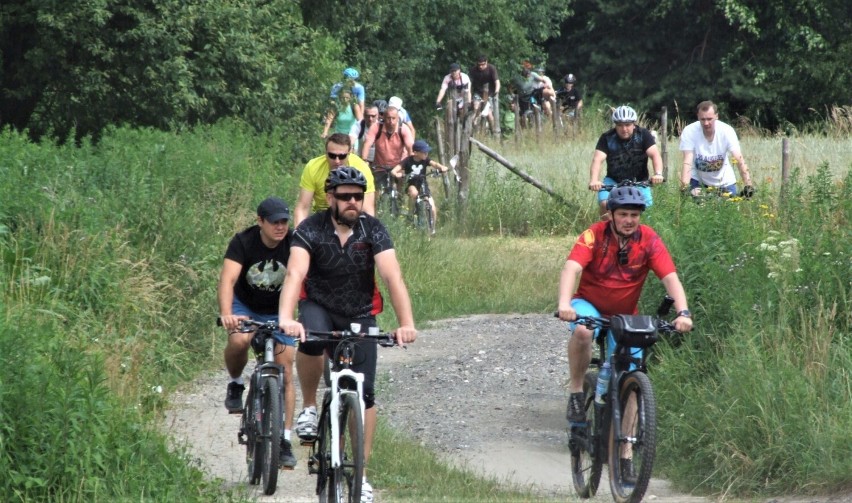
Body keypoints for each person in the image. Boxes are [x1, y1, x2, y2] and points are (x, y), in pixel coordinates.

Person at [278, 167, 417, 503]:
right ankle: (310, 407)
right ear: (330, 199)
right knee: (309, 334)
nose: (353, 202)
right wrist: (285, 317)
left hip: (359, 312)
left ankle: (362, 474)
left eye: (358, 195)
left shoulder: (374, 230)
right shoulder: (310, 229)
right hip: (320, 305)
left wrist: (406, 323)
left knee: (366, 392)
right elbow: (296, 273)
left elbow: (392, 277)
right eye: (345, 196)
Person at [556, 186, 693, 476]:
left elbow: (670, 277)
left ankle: (626, 453)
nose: (629, 220)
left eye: (634, 214)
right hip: (588, 304)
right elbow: (571, 269)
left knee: (634, 373)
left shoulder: (649, 240)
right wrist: (565, 303)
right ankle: (577, 392)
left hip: (624, 315)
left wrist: (683, 312)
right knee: (582, 331)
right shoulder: (594, 235)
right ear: (611, 215)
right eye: (623, 214)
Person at [218, 196, 298, 469]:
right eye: (274, 221)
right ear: (260, 221)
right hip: (246, 305)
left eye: (284, 221)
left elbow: (304, 275)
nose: (280, 226)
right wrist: (228, 313)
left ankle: (285, 440)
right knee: (240, 340)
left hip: (280, 309)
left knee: (286, 368)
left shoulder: (294, 243)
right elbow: (227, 279)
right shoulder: (243, 241)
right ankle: (237, 382)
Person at [588, 105, 664, 220]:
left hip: (639, 181)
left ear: (634, 124)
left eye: (627, 125)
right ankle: (606, 234)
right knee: (605, 204)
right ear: (615, 125)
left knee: (647, 212)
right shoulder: (607, 137)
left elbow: (655, 155)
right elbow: (597, 159)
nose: (624, 129)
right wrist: (594, 180)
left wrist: (658, 173)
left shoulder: (643, 135)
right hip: (613, 180)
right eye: (620, 125)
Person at [293, 133, 376, 227]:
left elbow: (368, 210)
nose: (337, 161)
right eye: (332, 156)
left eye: (342, 156)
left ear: (349, 153)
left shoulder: (361, 169)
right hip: (322, 218)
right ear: (325, 153)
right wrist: (299, 236)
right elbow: (303, 207)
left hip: (351, 218)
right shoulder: (313, 168)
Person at [679, 100, 754, 197]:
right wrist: (684, 188)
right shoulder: (690, 131)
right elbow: (687, 161)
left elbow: (738, 158)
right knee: (697, 207)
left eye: (709, 119)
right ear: (698, 117)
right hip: (698, 180)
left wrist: (748, 184)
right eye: (702, 119)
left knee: (729, 209)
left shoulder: (726, 131)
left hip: (724, 181)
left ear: (716, 116)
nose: (706, 123)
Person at [390, 140, 449, 234]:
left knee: (432, 207)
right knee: (414, 193)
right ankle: (410, 215)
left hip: (422, 183)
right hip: (411, 183)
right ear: (415, 152)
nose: (426, 153)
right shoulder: (407, 161)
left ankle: (432, 230)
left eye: (427, 152)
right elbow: (394, 170)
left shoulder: (425, 160)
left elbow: (435, 164)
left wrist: (442, 167)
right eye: (424, 152)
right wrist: (397, 175)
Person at [360, 104, 415, 194]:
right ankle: (379, 207)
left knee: (400, 192)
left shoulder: (403, 129)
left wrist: (410, 165)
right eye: (388, 118)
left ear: (398, 118)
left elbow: (410, 147)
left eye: (393, 118)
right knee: (377, 192)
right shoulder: (376, 127)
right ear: (383, 118)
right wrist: (364, 161)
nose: (391, 121)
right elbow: (367, 144)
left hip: (398, 166)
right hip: (380, 166)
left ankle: (401, 205)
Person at [468, 55, 501, 133]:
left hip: (490, 93)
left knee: (489, 114)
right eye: (479, 64)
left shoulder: (491, 68)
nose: (481, 66)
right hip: (478, 93)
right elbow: (469, 83)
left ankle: (494, 132)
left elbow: (497, 82)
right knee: (476, 107)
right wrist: (469, 94)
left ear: (486, 62)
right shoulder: (473, 70)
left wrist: (496, 92)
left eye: (483, 64)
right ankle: (473, 129)